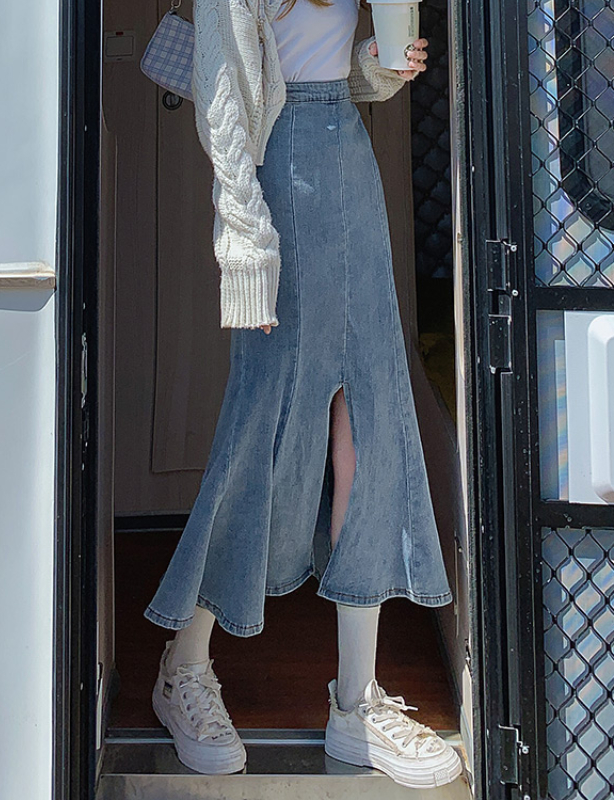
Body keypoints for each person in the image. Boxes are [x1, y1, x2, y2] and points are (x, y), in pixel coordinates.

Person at [143, 0, 462, 788]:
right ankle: (185, 666)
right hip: (276, 175)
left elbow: (334, 74)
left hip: (347, 160)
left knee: (370, 421)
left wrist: (380, 68)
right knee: (265, 424)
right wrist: (246, 248)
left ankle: (357, 702)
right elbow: (225, 104)